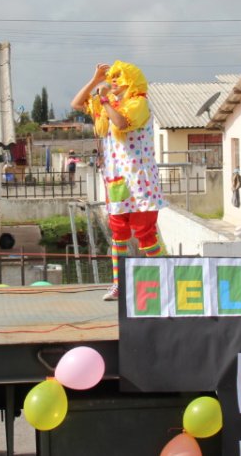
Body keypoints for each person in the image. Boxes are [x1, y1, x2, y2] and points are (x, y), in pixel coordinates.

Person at [72, 61, 167, 301]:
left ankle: (160, 282)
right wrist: (95, 81)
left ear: (129, 81)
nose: (112, 83)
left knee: (146, 234)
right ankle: (118, 284)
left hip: (139, 179)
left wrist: (104, 100)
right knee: (119, 234)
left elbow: (121, 123)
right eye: (110, 78)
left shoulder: (139, 103)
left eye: (117, 78)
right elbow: (76, 103)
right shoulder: (109, 105)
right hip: (116, 179)